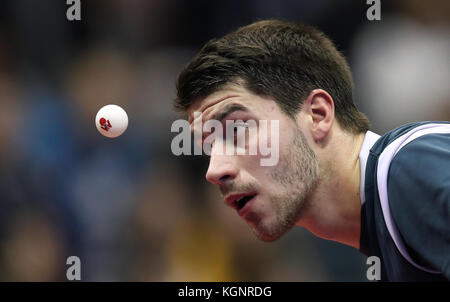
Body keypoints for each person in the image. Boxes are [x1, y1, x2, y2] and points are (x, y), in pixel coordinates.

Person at [173, 19, 450, 281]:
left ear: (317, 115)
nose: (214, 170)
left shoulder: (415, 168)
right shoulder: (386, 231)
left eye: (236, 130)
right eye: (208, 147)